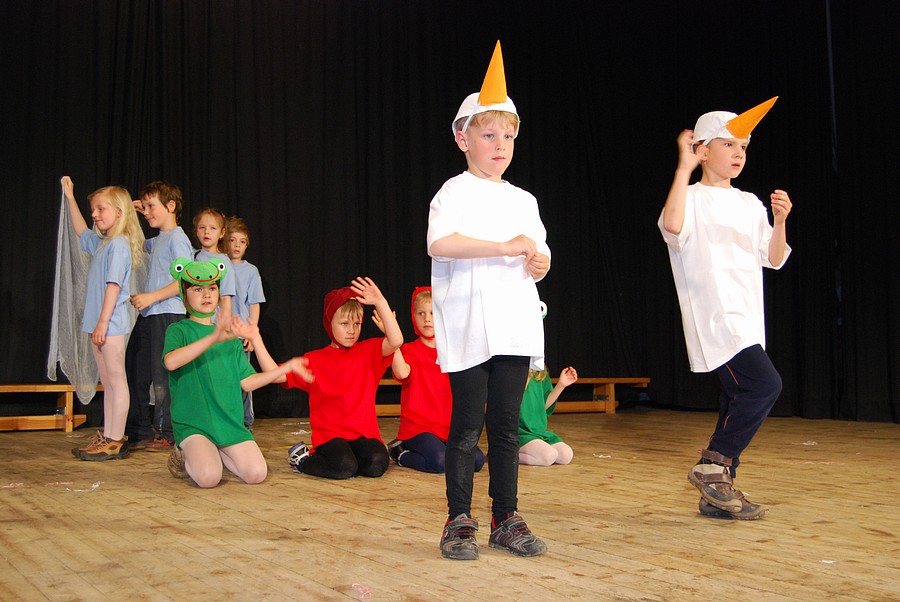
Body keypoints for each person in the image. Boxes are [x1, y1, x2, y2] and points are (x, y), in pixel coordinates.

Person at [427, 41, 551, 560]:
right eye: (488, 134)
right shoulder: (453, 192)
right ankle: (459, 519)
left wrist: (539, 263)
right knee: (465, 428)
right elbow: (440, 243)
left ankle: (506, 517)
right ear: (463, 138)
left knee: (504, 428)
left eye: (508, 136)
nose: (501, 145)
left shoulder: (524, 199)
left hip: (515, 328)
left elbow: (541, 253)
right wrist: (504, 247)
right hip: (470, 328)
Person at [658, 97, 792, 520]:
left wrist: (780, 220)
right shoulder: (690, 196)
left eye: (744, 147)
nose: (738, 154)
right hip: (715, 316)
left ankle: (716, 491)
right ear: (703, 149)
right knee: (764, 385)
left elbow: (774, 258)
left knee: (738, 397)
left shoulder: (750, 203)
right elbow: (672, 227)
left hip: (747, 316)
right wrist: (683, 167)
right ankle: (712, 466)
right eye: (729, 144)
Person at [162, 257, 313, 488]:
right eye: (198, 289)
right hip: (194, 424)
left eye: (212, 288)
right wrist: (213, 337)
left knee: (256, 473)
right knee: (208, 478)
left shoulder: (231, 339)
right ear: (185, 295)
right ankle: (185, 453)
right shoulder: (178, 330)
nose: (206, 294)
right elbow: (171, 362)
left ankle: (214, 453)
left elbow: (247, 382)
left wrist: (285, 368)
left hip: (227, 422)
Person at [261, 277, 403, 479]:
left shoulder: (368, 351)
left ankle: (350, 461)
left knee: (377, 464)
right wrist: (255, 338)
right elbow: (274, 374)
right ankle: (302, 460)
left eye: (357, 324)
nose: (352, 330)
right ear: (330, 323)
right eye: (344, 324)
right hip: (331, 436)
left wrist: (380, 302)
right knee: (344, 466)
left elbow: (396, 340)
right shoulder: (316, 359)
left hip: (362, 434)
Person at [62, 176, 145, 461]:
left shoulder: (119, 245)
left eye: (101, 209)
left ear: (119, 212)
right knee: (107, 381)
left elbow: (114, 286)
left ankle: (115, 439)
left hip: (111, 323)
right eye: (93, 210)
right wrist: (70, 197)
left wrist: (102, 322)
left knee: (116, 379)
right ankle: (109, 435)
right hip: (100, 322)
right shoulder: (102, 243)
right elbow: (80, 231)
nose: (95, 215)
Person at [377, 286, 485, 474]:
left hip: (447, 429)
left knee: (477, 460)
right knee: (440, 461)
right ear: (413, 317)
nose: (427, 319)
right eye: (421, 313)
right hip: (418, 429)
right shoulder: (410, 350)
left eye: (433, 313)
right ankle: (401, 453)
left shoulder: (453, 352)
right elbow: (402, 373)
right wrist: (390, 335)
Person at [126, 181, 193, 452]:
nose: (148, 212)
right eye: (145, 207)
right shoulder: (159, 239)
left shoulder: (177, 238)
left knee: (162, 377)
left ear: (171, 206)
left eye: (152, 206)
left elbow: (185, 279)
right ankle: (140, 429)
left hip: (167, 314)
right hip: (151, 314)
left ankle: (167, 433)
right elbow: (137, 243)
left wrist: (151, 296)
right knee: (136, 369)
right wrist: (133, 212)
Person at [224, 216, 266, 429]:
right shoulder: (218, 265)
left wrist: (251, 332)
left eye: (242, 241)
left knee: (242, 379)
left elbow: (254, 303)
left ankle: (245, 423)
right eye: (232, 240)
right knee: (223, 379)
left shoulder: (251, 271)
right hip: (219, 335)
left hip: (240, 336)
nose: (237, 246)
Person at [518, 365, 577, 466]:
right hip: (519, 432)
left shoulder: (539, 369)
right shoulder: (515, 367)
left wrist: (561, 385)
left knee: (565, 455)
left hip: (537, 431)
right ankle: (504, 455)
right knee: (548, 456)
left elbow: (543, 406)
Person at [191, 208, 235, 322]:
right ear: (196, 231)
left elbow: (225, 298)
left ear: (222, 233)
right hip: (194, 320)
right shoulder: (192, 256)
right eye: (202, 227)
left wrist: (224, 326)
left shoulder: (223, 262)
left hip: (213, 322)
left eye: (213, 228)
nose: (207, 232)